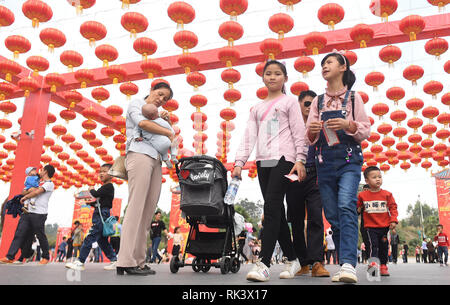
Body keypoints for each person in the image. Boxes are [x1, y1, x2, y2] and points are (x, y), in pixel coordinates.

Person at [233, 60, 308, 282]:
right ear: (263, 78)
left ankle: (264, 263)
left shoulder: (290, 102)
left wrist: (301, 159)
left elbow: (298, 131)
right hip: (263, 162)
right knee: (276, 211)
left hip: (285, 160)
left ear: (285, 78)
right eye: (268, 73)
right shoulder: (256, 108)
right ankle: (293, 258)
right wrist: (239, 162)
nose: (273, 77)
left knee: (272, 206)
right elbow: (249, 136)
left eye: (278, 73)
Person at [306, 51, 371, 284]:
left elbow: (365, 130)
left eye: (329, 62)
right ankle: (346, 261)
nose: (324, 66)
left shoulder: (354, 98)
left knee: (346, 206)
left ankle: (347, 264)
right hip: (323, 164)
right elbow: (309, 138)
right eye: (322, 64)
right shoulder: (317, 101)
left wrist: (348, 124)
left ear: (343, 67)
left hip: (349, 162)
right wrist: (312, 130)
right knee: (333, 216)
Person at [117, 81, 174, 276]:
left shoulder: (160, 115)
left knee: (148, 211)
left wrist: (167, 124)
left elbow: (166, 136)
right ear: (151, 91)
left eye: (165, 99)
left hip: (156, 159)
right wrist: (168, 131)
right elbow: (142, 123)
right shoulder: (136, 103)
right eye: (159, 94)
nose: (161, 100)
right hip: (139, 154)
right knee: (136, 207)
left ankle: (139, 260)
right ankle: (125, 260)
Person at [286, 90, 330, 278]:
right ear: (298, 105)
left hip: (315, 175)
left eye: (313, 104)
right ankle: (303, 263)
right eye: (306, 104)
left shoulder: (321, 125)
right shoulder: (289, 126)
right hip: (294, 176)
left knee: (315, 217)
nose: (309, 107)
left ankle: (317, 262)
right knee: (296, 221)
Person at [65, 164, 118, 271]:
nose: (101, 173)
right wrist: (87, 203)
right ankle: (114, 260)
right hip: (100, 212)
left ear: (111, 174)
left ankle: (80, 262)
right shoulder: (104, 187)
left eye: (104, 171)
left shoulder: (108, 186)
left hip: (102, 214)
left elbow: (96, 194)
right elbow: (97, 203)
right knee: (102, 240)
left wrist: (92, 190)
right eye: (100, 171)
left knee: (91, 236)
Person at [0, 165, 56, 265]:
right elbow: (23, 191)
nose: (40, 171)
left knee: (40, 235)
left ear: (46, 172)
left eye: (42, 170)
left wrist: (26, 197)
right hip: (27, 212)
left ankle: (45, 257)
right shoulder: (38, 182)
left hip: (39, 214)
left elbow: (37, 192)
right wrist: (28, 192)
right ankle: (10, 256)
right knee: (19, 234)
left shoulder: (49, 184)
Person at [357, 166, 398, 276]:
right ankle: (373, 265)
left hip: (384, 227)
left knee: (384, 247)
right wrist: (358, 209)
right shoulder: (362, 195)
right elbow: (357, 208)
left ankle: (383, 265)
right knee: (372, 246)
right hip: (369, 227)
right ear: (366, 180)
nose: (378, 179)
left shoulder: (387, 194)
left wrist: (393, 220)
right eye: (374, 177)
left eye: (379, 176)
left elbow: (393, 208)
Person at [133, 102, 178, 168]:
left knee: (171, 145)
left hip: (166, 138)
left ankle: (173, 156)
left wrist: (167, 119)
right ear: (148, 116)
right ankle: (167, 159)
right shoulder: (143, 121)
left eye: (157, 112)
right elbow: (136, 129)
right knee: (163, 151)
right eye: (154, 113)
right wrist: (137, 136)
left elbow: (168, 125)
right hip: (155, 140)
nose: (157, 114)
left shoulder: (158, 117)